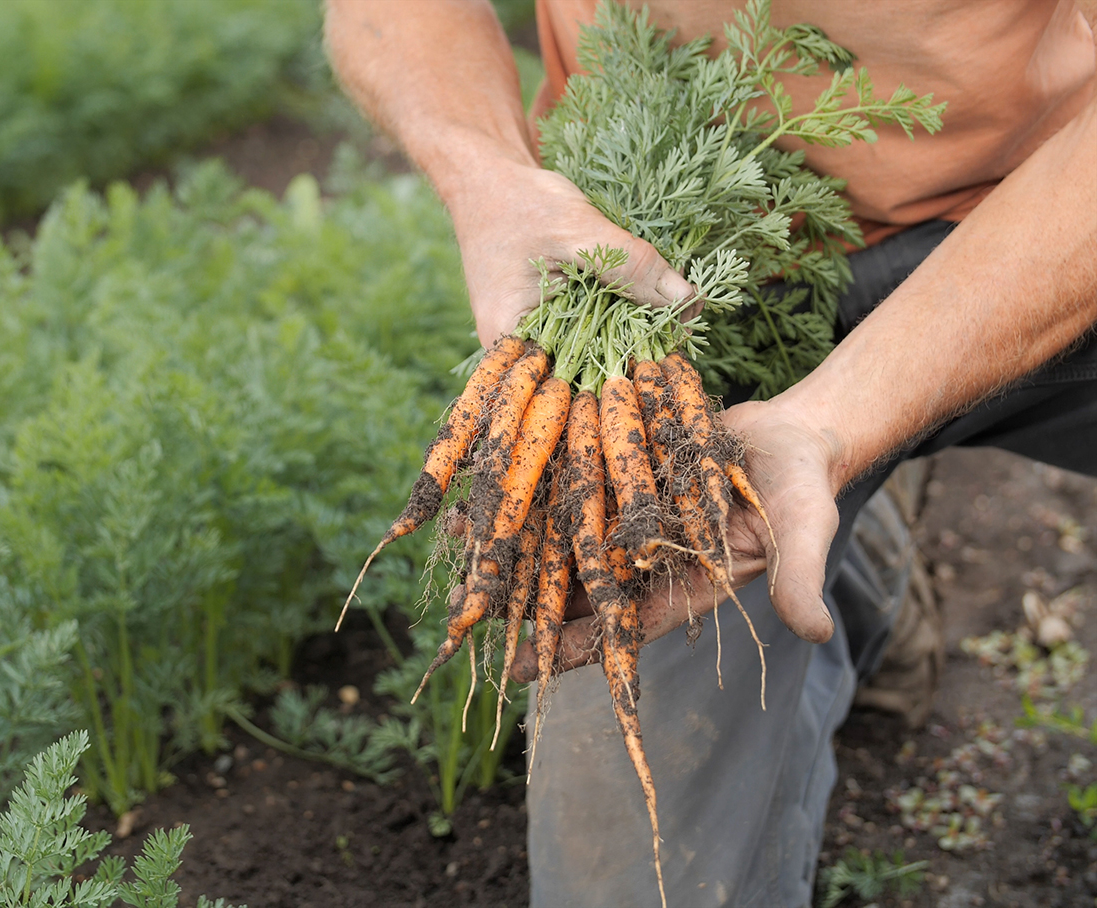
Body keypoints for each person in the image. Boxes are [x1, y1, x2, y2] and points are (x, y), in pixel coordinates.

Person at [325, 1, 1097, 904]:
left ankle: (846, 484)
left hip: (1036, 209)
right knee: (636, 882)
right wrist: (485, 173)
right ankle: (855, 561)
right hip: (674, 286)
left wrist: (836, 426)